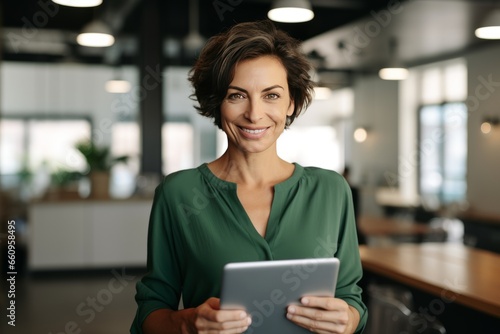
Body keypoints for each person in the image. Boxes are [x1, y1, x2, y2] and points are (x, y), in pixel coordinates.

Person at [131, 20, 367, 334]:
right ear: (217, 103)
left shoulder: (331, 190)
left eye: (271, 96)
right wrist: (186, 324)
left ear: (291, 103)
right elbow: (151, 313)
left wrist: (349, 319)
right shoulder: (179, 194)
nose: (254, 114)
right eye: (237, 95)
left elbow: (351, 297)